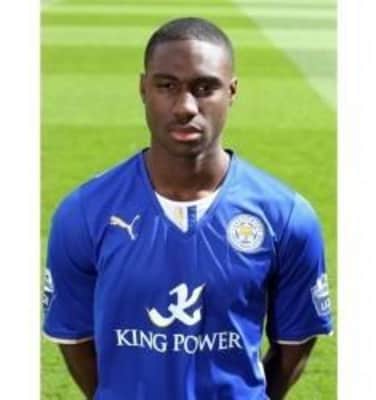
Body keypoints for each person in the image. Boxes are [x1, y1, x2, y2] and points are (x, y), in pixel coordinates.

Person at [43, 17, 333, 400]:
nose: (184, 107)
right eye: (167, 86)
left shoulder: (287, 217)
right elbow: (75, 338)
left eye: (204, 88)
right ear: (143, 88)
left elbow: (293, 348)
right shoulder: (84, 212)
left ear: (232, 91)